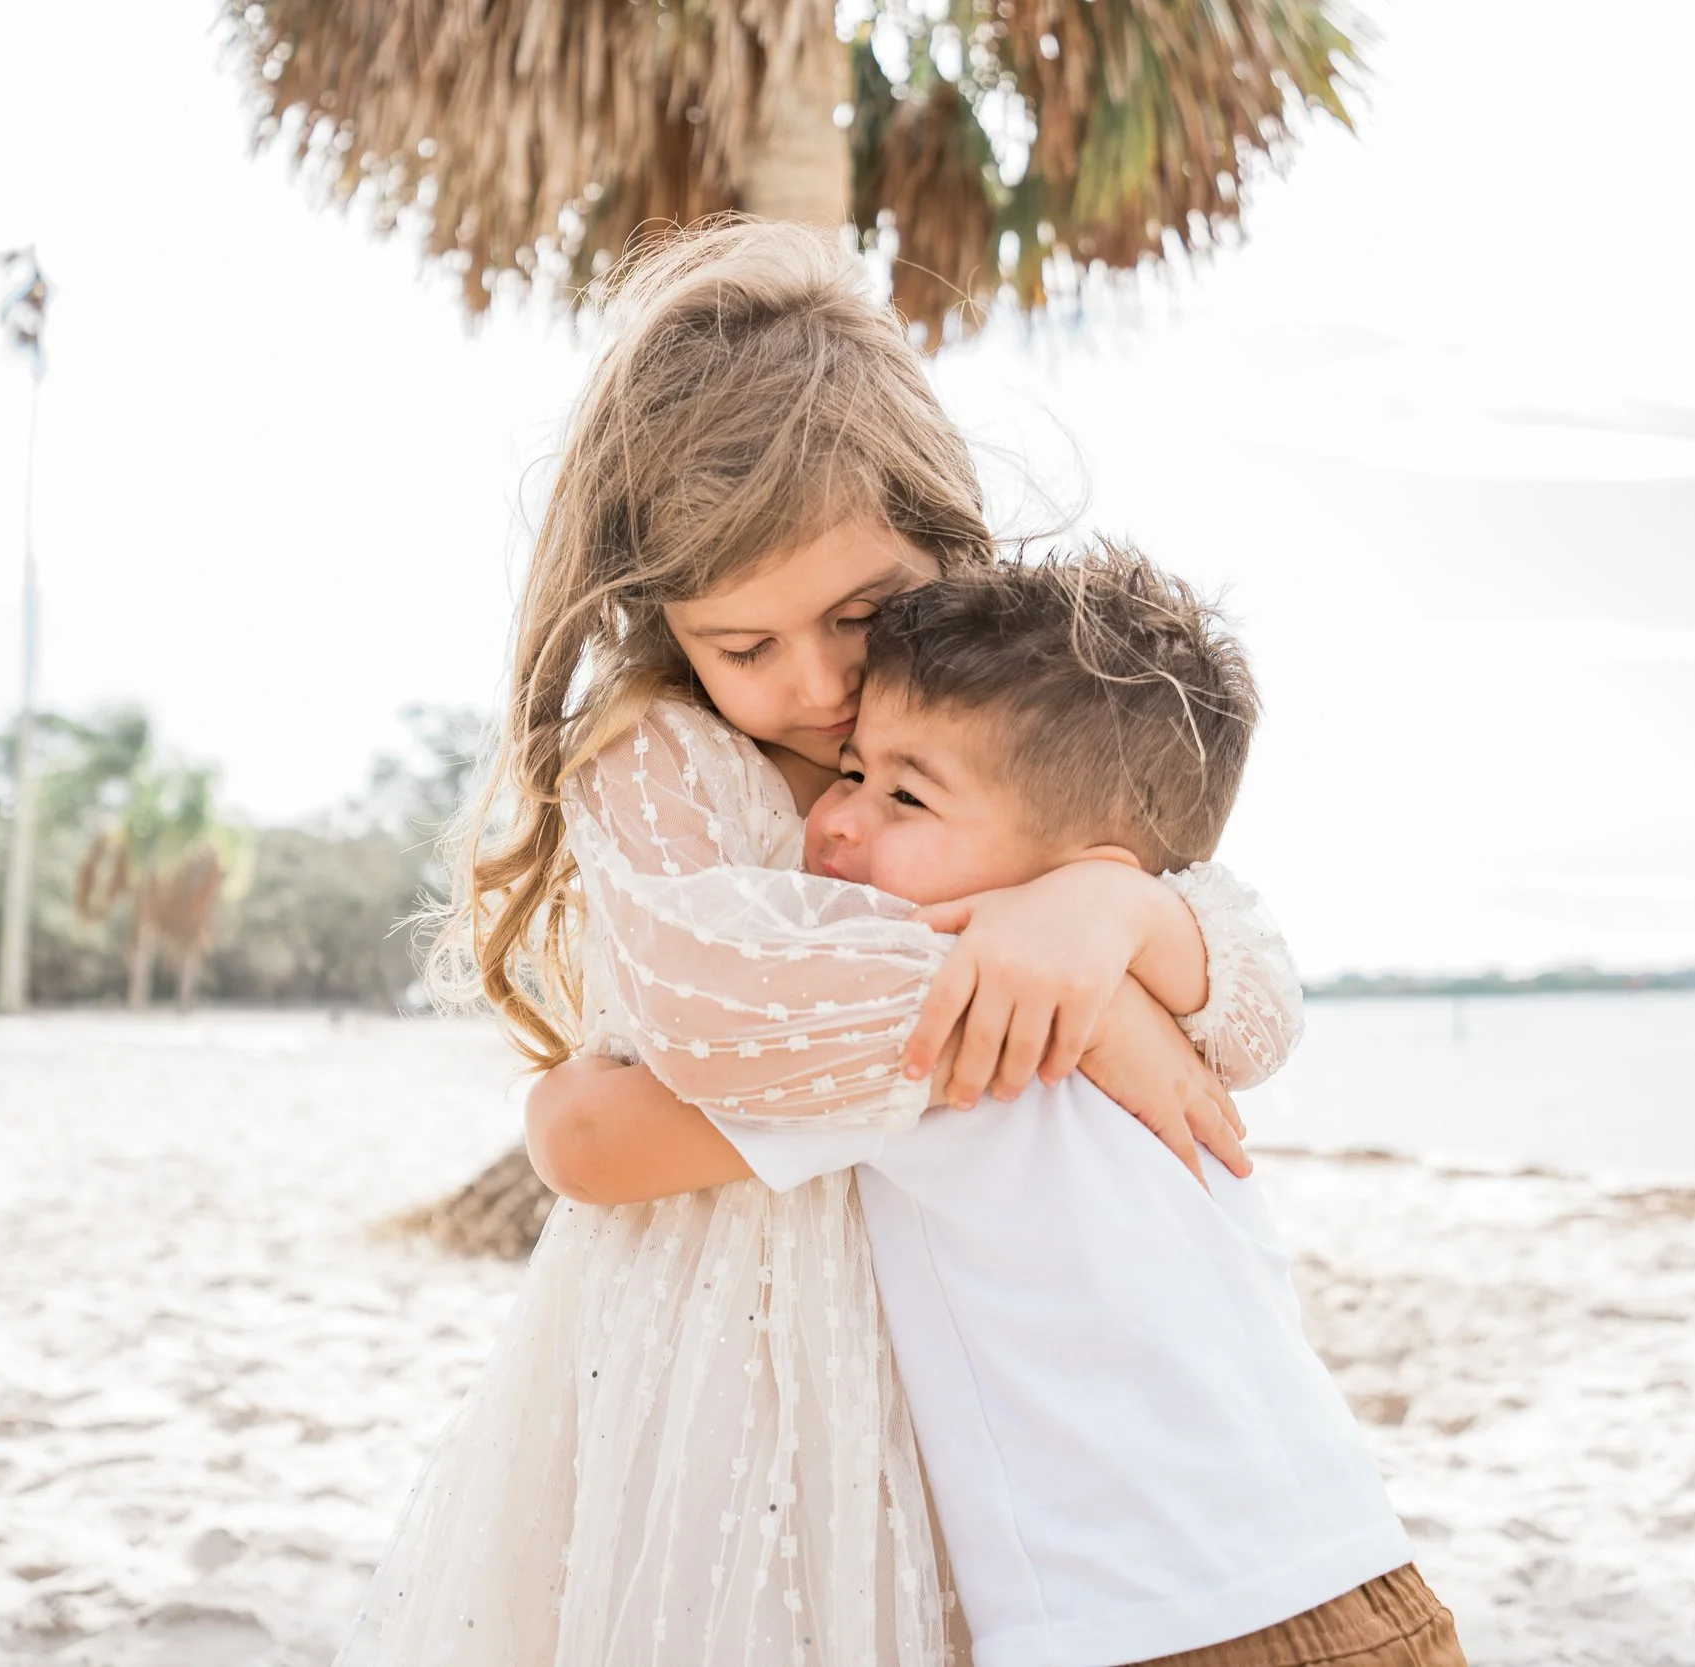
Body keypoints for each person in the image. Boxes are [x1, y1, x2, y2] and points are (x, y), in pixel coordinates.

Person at [335, 221, 1307, 1666]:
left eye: (859, 614)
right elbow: (729, 1004)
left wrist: (1111, 910)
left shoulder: (1009, 728)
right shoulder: (659, 758)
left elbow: (1253, 1016)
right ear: (663, 621)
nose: (812, 688)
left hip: (963, 1359)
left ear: (946, 536)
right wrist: (1079, 1016)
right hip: (734, 1353)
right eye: (743, 644)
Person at [534, 544, 1464, 1667]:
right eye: (852, 772)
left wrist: (555, 1086)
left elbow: (586, 1141)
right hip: (1362, 1572)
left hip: (1157, 1627)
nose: (833, 820)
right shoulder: (1148, 992)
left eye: (904, 794)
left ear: (1071, 864)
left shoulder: (962, 1020)